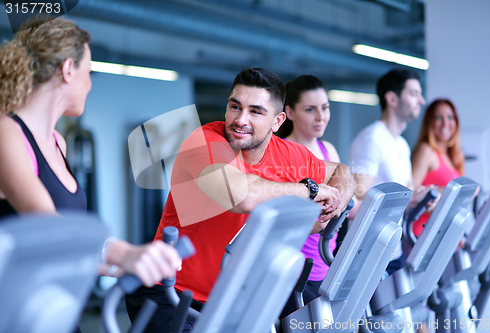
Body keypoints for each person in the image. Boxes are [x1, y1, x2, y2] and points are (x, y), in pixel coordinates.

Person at [125, 68, 356, 332]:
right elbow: (242, 195)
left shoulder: (290, 155)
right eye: (235, 106)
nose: (240, 119)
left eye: (256, 111)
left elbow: (342, 172)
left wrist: (330, 209)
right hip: (170, 293)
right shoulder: (205, 142)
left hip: (230, 301)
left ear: (278, 121)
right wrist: (310, 191)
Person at [0, 17, 181, 293]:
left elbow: (60, 247)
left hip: (55, 305)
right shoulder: (6, 132)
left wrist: (105, 264)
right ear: (68, 69)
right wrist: (123, 252)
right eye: (89, 71)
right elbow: (47, 227)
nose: (90, 84)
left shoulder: (58, 143)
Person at [348, 68, 437, 275]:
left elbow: (408, 190)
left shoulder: (401, 144)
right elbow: (357, 198)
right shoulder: (371, 139)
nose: (421, 101)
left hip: (392, 249)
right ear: (392, 99)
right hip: (368, 252)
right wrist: (409, 199)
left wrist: (422, 197)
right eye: (414, 94)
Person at [277, 75, 341, 319]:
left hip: (326, 265)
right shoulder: (280, 153)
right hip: (293, 273)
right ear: (290, 113)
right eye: (310, 109)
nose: (320, 116)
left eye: (324, 108)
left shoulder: (328, 150)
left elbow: (344, 202)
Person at [410, 98, 464, 237]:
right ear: (430, 122)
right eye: (439, 117)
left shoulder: (453, 156)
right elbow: (411, 193)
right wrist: (453, 191)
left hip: (441, 234)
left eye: (450, 117)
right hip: (421, 234)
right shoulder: (426, 151)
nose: (446, 123)